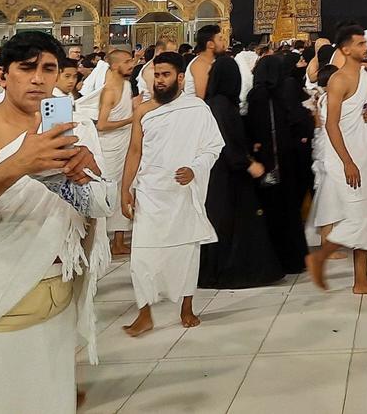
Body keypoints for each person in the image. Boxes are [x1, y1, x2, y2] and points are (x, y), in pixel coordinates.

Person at [0, 31, 113, 413]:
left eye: (48, 68)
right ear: (2, 75)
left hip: (57, 287)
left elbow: (94, 207)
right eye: (26, 68)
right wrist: (20, 162)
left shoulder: (71, 128)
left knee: (47, 395)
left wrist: (88, 178)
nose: (38, 78)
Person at [120, 51, 223, 335]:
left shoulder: (197, 109)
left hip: (182, 192)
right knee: (141, 256)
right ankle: (144, 313)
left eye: (166, 75)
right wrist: (124, 190)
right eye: (157, 75)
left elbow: (213, 147)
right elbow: (134, 152)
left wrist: (194, 169)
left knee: (186, 252)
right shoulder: (142, 110)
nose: (160, 81)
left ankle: (186, 308)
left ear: (180, 78)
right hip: (151, 191)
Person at [306, 26, 367, 296]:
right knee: (355, 219)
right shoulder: (339, 80)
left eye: (366, 43)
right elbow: (331, 125)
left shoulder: (366, 78)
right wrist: (347, 162)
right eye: (361, 44)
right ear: (346, 49)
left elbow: (366, 111)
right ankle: (321, 257)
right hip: (348, 159)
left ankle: (361, 280)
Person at [199, 56, 282, 288]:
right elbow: (223, 142)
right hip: (226, 175)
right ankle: (227, 272)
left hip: (226, 174)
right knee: (228, 224)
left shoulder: (218, 104)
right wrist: (247, 163)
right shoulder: (220, 106)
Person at [246, 53, 310, 272]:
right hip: (286, 160)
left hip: (268, 162)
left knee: (273, 213)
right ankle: (294, 258)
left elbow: (256, 129)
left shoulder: (258, 95)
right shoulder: (281, 91)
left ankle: (277, 259)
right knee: (288, 210)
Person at [77, 48, 137, 256]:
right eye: (127, 61)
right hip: (110, 147)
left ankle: (119, 241)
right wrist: (131, 119)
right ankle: (99, 241)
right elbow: (101, 125)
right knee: (107, 191)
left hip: (125, 144)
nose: (131, 64)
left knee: (125, 188)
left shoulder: (127, 85)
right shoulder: (110, 91)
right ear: (114, 66)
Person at [189, 24, 225, 98]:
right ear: (210, 44)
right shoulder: (200, 65)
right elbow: (202, 97)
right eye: (220, 39)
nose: (223, 43)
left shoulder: (209, 62)